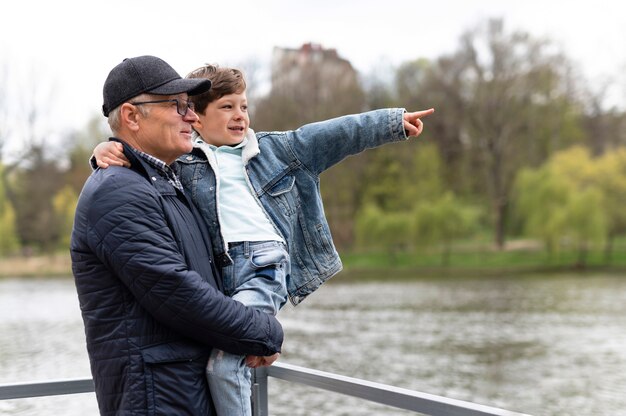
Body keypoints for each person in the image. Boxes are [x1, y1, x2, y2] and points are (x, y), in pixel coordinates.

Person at [93, 63, 434, 416]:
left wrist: (393, 123)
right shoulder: (182, 162)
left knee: (223, 366)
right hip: (221, 273)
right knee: (224, 356)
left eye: (244, 106)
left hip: (264, 266)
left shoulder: (277, 151)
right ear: (197, 116)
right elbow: (140, 157)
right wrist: (103, 150)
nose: (240, 115)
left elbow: (334, 135)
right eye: (227, 107)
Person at [71, 56, 283, 416]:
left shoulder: (166, 182)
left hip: (183, 395)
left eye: (190, 105)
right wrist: (265, 331)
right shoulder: (117, 192)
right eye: (177, 105)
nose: (193, 117)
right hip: (158, 402)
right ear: (132, 116)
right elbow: (177, 292)